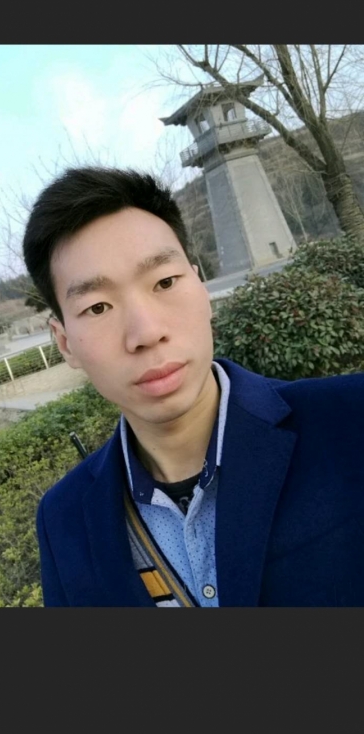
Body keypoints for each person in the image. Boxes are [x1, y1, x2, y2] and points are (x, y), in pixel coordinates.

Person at [22, 166, 364, 607]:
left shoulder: (349, 423)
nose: (146, 333)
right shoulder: (63, 520)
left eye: (165, 282)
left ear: (201, 288)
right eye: (98, 307)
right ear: (65, 342)